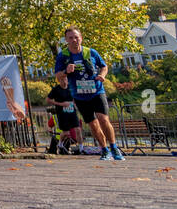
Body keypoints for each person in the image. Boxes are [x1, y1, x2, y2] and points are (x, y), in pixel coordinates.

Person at [53, 27, 124, 161]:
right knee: (92, 124)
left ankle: (114, 147)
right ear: (66, 41)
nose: (74, 40)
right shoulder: (63, 56)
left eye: (76, 37)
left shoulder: (91, 52)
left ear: (81, 38)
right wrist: (66, 71)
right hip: (79, 95)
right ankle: (104, 150)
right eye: (70, 38)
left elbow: (104, 66)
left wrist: (102, 75)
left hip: (97, 91)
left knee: (103, 119)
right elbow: (58, 75)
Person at [45, 73, 81, 154]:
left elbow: (75, 98)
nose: (64, 81)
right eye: (62, 80)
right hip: (62, 114)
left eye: (66, 79)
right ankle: (60, 144)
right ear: (59, 81)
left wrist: (75, 104)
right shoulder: (56, 89)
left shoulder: (71, 88)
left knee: (78, 129)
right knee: (66, 132)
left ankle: (81, 148)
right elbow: (48, 100)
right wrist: (61, 104)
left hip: (72, 112)